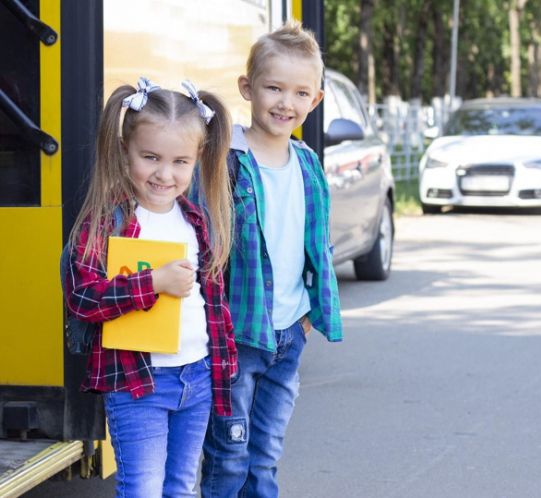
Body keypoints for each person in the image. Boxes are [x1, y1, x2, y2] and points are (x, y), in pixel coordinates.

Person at [64, 77, 237, 498]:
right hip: (137, 383)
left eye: (180, 161)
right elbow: (82, 296)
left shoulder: (198, 219)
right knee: (142, 488)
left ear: (197, 159)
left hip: (195, 376)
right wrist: (154, 282)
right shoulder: (108, 222)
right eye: (150, 157)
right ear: (125, 153)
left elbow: (211, 302)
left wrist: (223, 367)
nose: (165, 173)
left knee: (181, 487)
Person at [200, 21, 343, 498]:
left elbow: (316, 243)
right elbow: (200, 242)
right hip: (237, 335)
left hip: (288, 334)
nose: (286, 103)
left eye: (300, 92)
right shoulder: (223, 160)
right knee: (229, 454)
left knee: (265, 456)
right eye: (274, 88)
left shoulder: (306, 162)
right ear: (247, 88)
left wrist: (306, 316)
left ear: (315, 101)